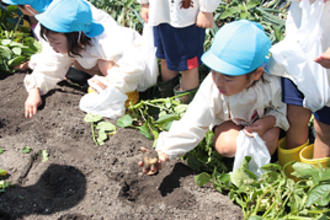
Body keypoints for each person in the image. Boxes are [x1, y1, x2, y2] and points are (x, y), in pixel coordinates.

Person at [139, 20, 289, 175]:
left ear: (256, 74)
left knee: (269, 141)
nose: (218, 81)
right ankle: (241, 162)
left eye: (228, 78)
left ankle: (258, 166)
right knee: (225, 145)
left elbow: (283, 109)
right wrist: (164, 152)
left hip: (263, 124)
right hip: (230, 123)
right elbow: (193, 123)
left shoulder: (271, 84)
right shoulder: (213, 86)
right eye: (214, 71)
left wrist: (269, 121)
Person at [22, 0, 156, 119]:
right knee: (78, 64)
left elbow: (135, 68)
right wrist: (35, 90)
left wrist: (110, 83)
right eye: (50, 42)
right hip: (117, 71)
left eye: (56, 43)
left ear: (74, 37)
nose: (52, 46)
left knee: (104, 65)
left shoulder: (107, 42)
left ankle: (132, 98)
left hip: (139, 78)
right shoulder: (74, 42)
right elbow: (51, 63)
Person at [269, 0, 330, 169]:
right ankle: (291, 176)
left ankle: (315, 184)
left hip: (327, 71)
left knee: (324, 129)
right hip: (299, 59)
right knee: (295, 118)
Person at [138, 0, 221, 103]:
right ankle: (167, 98)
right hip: (159, 12)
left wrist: (206, 10)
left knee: (188, 66)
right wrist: (145, 3)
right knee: (165, 59)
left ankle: (185, 103)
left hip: (188, 18)